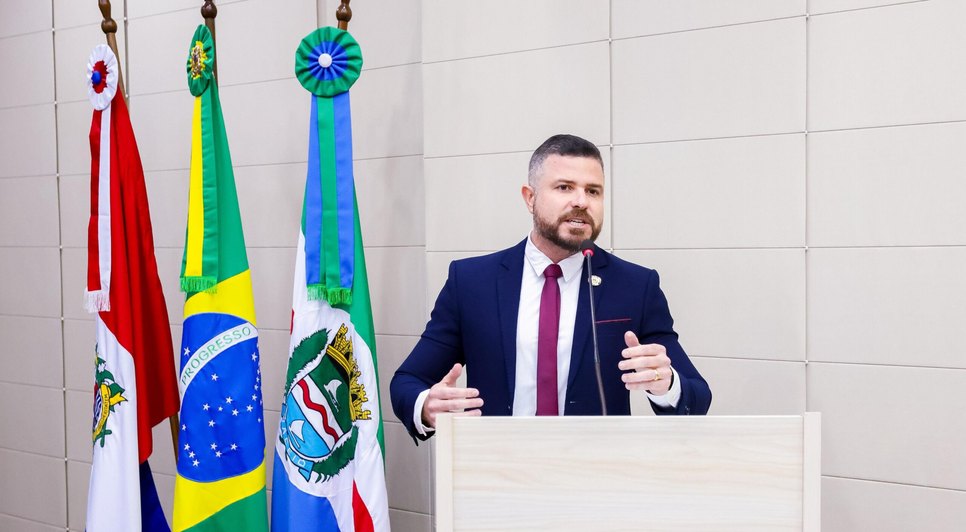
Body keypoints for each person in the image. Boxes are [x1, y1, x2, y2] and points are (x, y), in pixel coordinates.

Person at [390, 134, 711, 441]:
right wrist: (427, 407)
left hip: (595, 471)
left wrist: (665, 382)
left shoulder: (635, 285)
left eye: (593, 191)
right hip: (494, 468)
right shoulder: (472, 282)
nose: (581, 201)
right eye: (564, 187)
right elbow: (408, 381)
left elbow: (697, 397)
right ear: (530, 198)